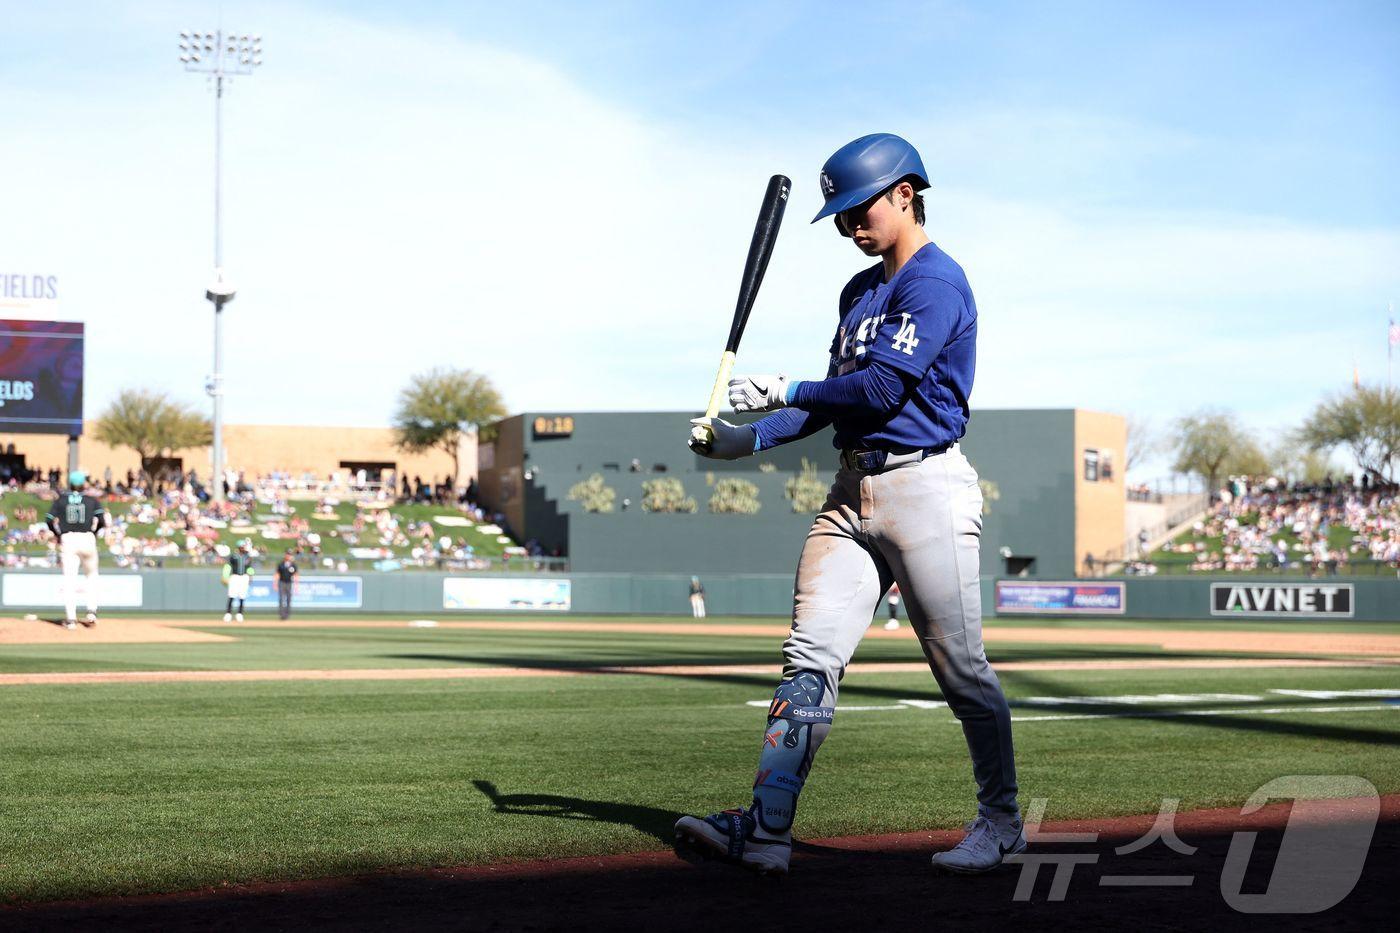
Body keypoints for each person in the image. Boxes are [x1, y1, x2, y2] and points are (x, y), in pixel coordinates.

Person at [676, 134, 1022, 876]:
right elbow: (835, 403)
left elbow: (880, 390)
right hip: (850, 490)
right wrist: (748, 441)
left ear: (905, 192)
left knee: (962, 672)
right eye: (836, 214)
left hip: (926, 487)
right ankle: (767, 829)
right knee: (808, 662)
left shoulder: (937, 282)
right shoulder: (858, 291)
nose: (846, 225)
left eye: (855, 207)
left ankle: (1001, 820)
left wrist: (789, 386)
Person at [45, 469, 106, 629]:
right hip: (87, 537)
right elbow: (101, 520)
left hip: (68, 538)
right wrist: (94, 532)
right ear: (83, 483)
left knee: (69, 580)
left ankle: (71, 620)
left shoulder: (61, 500)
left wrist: (57, 534)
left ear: (70, 483)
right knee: (92, 575)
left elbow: (49, 520)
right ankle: (92, 612)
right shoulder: (91, 500)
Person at [222, 539, 254, 622]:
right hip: (235, 576)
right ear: (239, 547)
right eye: (242, 546)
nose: (244, 548)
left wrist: (250, 576)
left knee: (242, 595)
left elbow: (250, 568)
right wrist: (225, 576)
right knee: (232, 594)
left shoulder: (247, 556)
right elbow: (228, 566)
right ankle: (228, 613)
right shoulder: (233, 556)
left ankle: (240, 613)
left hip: (244, 577)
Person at [275, 548, 298, 620]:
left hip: (289, 583)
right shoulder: (281, 564)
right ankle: (282, 615)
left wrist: (296, 585)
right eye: (287, 554)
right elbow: (277, 574)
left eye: (290, 554)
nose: (288, 556)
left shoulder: (293, 565)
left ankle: (287, 615)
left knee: (288, 599)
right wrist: (275, 583)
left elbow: (296, 574)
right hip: (281, 582)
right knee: (281, 599)